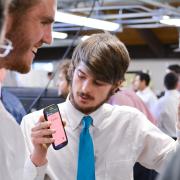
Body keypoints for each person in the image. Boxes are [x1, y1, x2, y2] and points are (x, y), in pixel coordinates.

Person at [21, 33, 180, 180]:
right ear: (72, 71)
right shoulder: (34, 124)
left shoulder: (130, 123)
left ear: (116, 85)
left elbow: (172, 162)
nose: (84, 89)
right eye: (81, 76)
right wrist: (38, 157)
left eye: (98, 82)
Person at [0, 0, 57, 179]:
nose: (49, 38)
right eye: (43, 22)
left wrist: (38, 156)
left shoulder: (6, 120)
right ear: (6, 18)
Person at [153, 72, 179, 138]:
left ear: (164, 84)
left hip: (167, 140)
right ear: (177, 84)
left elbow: (155, 123)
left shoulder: (159, 103)